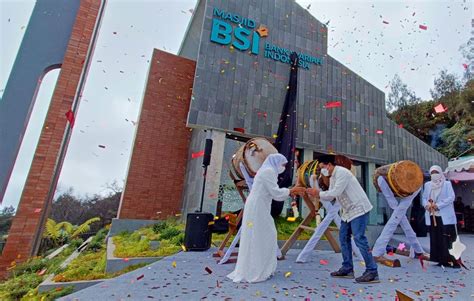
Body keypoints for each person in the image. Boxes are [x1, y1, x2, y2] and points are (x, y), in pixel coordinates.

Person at [227, 154, 304, 283]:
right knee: (263, 235)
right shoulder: (268, 171)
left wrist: (290, 191)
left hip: (258, 206)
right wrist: (291, 191)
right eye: (283, 165)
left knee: (259, 235)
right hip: (258, 207)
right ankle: (256, 269)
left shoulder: (267, 171)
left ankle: (258, 267)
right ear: (276, 162)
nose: (283, 168)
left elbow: (273, 193)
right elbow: (276, 193)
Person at [306, 154, 379, 283]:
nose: (322, 170)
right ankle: (347, 268)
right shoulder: (333, 176)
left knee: (359, 239)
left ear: (329, 165)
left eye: (323, 167)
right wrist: (317, 192)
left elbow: (334, 193)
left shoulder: (342, 173)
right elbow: (330, 195)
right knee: (343, 237)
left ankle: (372, 271)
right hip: (347, 211)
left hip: (358, 209)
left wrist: (317, 193)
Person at [422, 165, 459, 268]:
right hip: (433, 215)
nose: (434, 175)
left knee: (447, 238)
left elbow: (451, 197)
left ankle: (453, 260)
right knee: (436, 238)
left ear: (440, 173)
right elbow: (424, 198)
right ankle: (441, 259)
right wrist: (427, 206)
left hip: (445, 216)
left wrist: (438, 205)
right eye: (432, 173)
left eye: (436, 172)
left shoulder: (447, 184)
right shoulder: (428, 185)